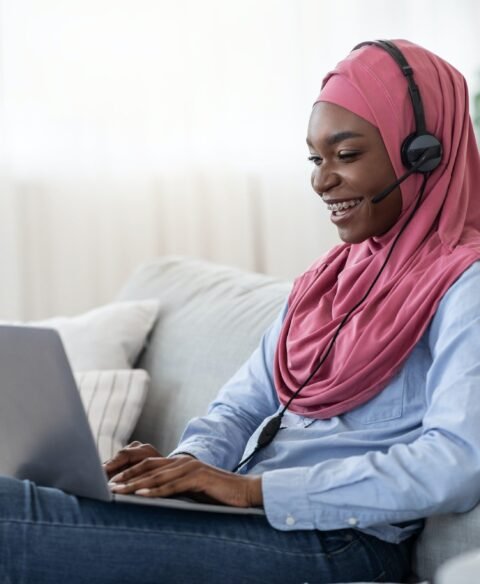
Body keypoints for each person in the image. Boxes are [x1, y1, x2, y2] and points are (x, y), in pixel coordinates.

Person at [1, 38, 480, 583]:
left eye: (345, 155)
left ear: (423, 154)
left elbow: (458, 462)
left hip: (337, 544)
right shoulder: (327, 282)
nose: (321, 181)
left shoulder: (467, 285)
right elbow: (239, 407)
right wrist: (183, 471)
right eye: (315, 159)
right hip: (253, 523)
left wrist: (252, 489)